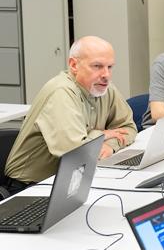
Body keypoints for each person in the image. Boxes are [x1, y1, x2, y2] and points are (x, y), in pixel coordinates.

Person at [3, 36, 137, 195]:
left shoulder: (104, 87)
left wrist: (110, 146)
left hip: (72, 179)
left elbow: (128, 127)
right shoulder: (61, 92)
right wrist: (101, 134)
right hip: (31, 187)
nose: (106, 75)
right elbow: (75, 153)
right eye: (97, 66)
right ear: (74, 65)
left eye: (110, 67)